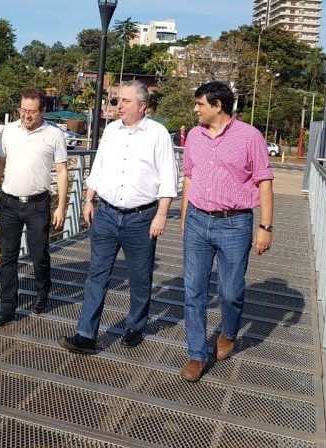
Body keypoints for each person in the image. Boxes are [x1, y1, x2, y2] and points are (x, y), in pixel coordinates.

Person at [58, 80, 178, 354]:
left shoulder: (158, 134)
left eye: (124, 101)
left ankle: (135, 327)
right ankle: (86, 334)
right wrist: (88, 200)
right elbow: (98, 167)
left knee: (140, 277)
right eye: (117, 100)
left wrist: (161, 215)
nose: (118, 105)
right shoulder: (111, 131)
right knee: (96, 275)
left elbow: (169, 180)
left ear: (142, 105)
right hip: (107, 214)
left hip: (141, 218)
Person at [179, 80, 274, 382]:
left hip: (235, 223)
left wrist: (265, 226)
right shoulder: (194, 136)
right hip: (197, 220)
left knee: (230, 291)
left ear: (217, 106)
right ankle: (196, 353)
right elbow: (189, 178)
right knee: (193, 289)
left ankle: (229, 332)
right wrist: (184, 216)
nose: (195, 109)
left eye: (200, 104)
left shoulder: (250, 137)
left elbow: (264, 181)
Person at [0, 88, 69, 327]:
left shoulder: (54, 134)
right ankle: (7, 307)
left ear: (42, 111)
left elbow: (62, 172)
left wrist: (60, 207)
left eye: (32, 111)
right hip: (9, 203)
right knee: (7, 258)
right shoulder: (9, 131)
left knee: (39, 254)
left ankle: (43, 291)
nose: (26, 116)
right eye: (23, 110)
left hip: (38, 204)